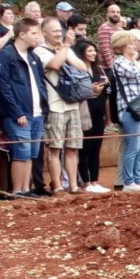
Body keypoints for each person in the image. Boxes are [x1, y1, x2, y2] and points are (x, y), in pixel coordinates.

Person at [0, 17, 48, 198]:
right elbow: (3, 87)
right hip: (19, 114)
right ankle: (16, 190)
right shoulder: (6, 55)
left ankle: (26, 189)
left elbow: (40, 84)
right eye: (34, 33)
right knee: (21, 151)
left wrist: (44, 109)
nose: (37, 36)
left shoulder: (33, 57)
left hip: (37, 113)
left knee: (31, 153)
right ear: (22, 34)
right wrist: (16, 112)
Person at [35, 16, 86, 195]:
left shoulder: (64, 48)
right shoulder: (39, 51)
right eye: (55, 31)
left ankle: (73, 185)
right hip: (54, 104)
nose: (59, 34)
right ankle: (57, 185)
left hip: (72, 103)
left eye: (60, 30)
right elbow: (55, 64)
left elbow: (83, 67)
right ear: (44, 32)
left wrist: (66, 51)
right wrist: (65, 48)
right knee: (55, 148)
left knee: (72, 147)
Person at [110, 28, 140, 192]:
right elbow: (135, 72)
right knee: (133, 147)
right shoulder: (119, 62)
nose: (134, 46)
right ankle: (128, 182)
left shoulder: (133, 61)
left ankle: (137, 179)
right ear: (122, 46)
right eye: (131, 43)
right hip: (129, 109)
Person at [74, 38, 110, 193]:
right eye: (90, 51)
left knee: (96, 148)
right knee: (84, 149)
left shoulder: (99, 69)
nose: (93, 53)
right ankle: (86, 182)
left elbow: (106, 94)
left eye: (94, 50)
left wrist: (108, 116)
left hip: (99, 112)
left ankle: (95, 181)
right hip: (83, 112)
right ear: (81, 53)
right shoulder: (76, 69)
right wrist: (91, 89)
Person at [96, 2, 126, 68]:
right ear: (107, 14)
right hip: (108, 68)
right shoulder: (104, 28)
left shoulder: (120, 29)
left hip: (120, 65)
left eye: (118, 12)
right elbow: (106, 51)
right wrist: (112, 67)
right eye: (113, 12)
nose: (115, 14)